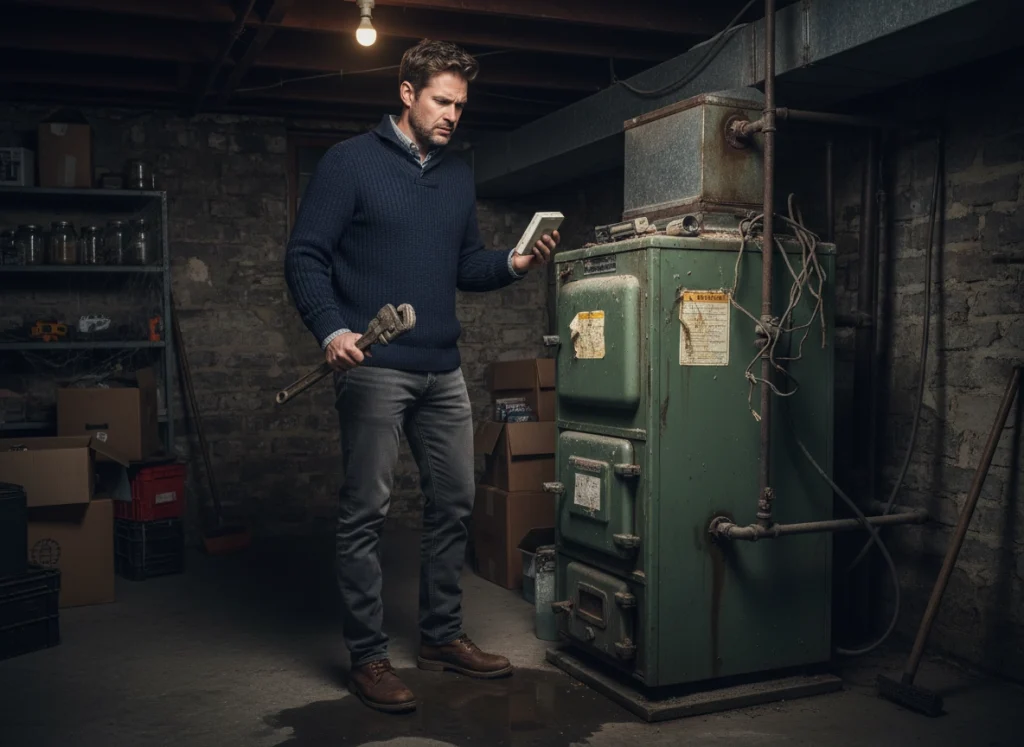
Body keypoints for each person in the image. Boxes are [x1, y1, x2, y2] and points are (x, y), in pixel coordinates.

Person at [284, 38, 559, 713]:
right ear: (406, 94)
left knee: (456, 503)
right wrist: (333, 329)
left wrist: (513, 265)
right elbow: (304, 257)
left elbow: (463, 264)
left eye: (461, 105)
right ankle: (369, 657)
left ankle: (438, 636)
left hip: (443, 369)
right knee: (366, 513)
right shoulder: (348, 163)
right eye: (441, 100)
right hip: (374, 367)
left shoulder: (458, 174)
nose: (452, 115)